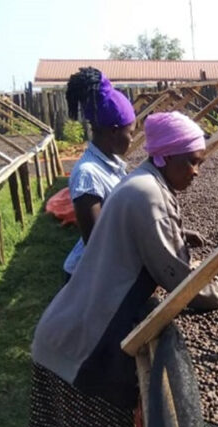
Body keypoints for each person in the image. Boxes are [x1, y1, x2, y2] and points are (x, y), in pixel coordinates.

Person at [28, 111, 218, 427]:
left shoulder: (140, 181)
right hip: (81, 353)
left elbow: (137, 240)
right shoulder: (149, 196)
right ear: (164, 157)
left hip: (62, 334)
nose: (197, 171)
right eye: (191, 162)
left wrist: (177, 235)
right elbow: (188, 290)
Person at [62, 67, 136, 280]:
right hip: (88, 280)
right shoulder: (88, 174)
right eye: (130, 133)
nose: (132, 139)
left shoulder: (111, 164)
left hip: (107, 270)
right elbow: (96, 243)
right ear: (113, 131)